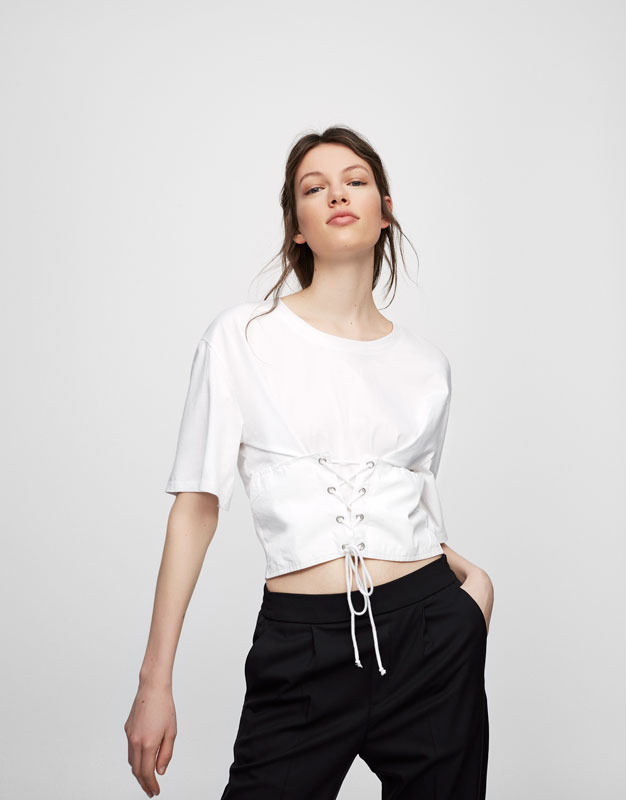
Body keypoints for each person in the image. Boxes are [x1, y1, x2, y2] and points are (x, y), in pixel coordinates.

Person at [124, 125, 494, 799]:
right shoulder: (242, 338)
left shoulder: (427, 366)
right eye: (314, 188)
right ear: (297, 226)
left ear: (385, 210)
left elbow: (408, 507)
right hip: (303, 643)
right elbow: (197, 507)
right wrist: (156, 679)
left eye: (355, 181)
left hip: (432, 638)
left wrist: (475, 594)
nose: (337, 195)